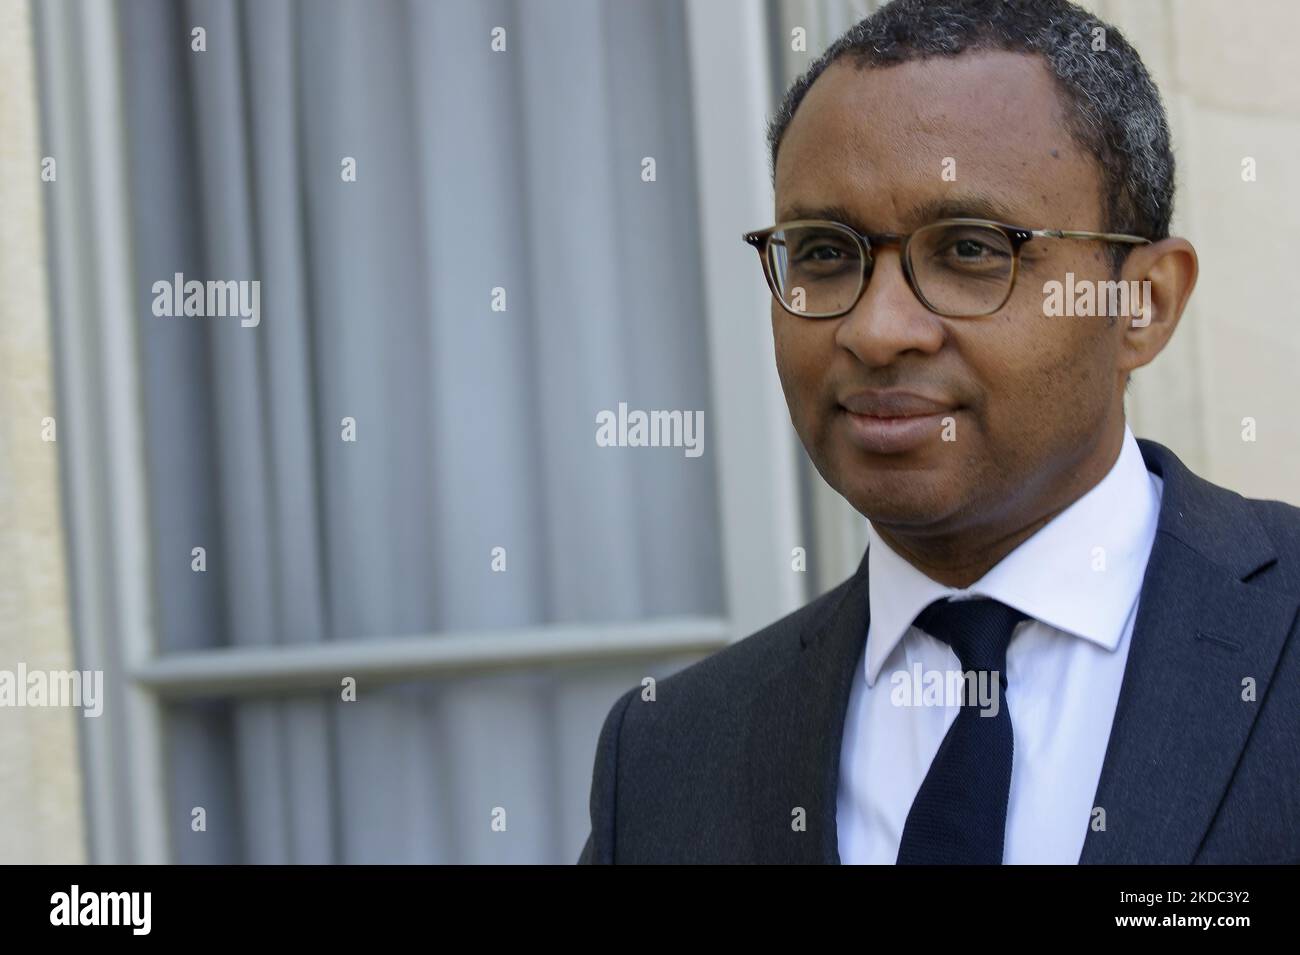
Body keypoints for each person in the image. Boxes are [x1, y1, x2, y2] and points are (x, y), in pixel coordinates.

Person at [578, 0, 1300, 864]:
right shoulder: (668, 758)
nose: (877, 330)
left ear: (1142, 302)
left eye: (968, 250)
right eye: (823, 252)